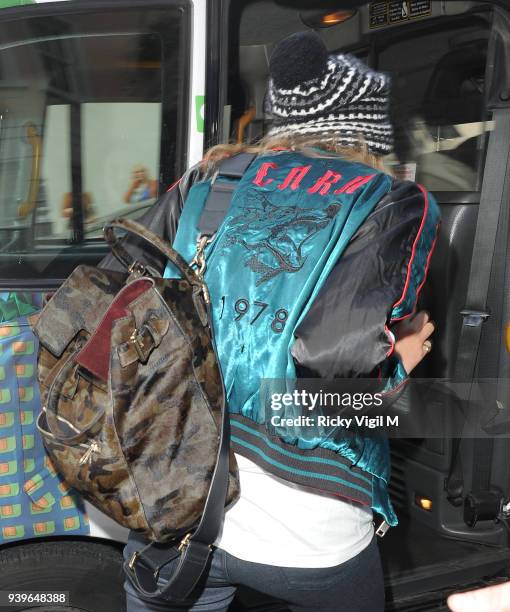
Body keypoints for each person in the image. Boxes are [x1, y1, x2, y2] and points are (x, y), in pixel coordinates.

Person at [102, 31, 440, 611]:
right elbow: (335, 367)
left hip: (175, 501)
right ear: (363, 131)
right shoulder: (389, 201)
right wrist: (398, 362)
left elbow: (115, 307)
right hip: (307, 529)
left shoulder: (208, 182)